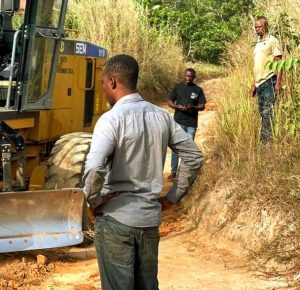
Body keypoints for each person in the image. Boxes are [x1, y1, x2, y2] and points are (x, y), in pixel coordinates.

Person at [83, 54, 204, 290]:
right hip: (149, 221)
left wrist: (94, 201)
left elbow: (94, 166)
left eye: (103, 84)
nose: (104, 90)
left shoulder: (110, 120)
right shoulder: (161, 117)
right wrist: (172, 198)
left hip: (115, 219)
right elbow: (194, 156)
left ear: (112, 81)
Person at [168, 68, 206, 179]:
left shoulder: (198, 90)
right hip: (178, 121)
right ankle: (173, 171)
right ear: (184, 75)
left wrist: (192, 107)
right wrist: (176, 106)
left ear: (194, 77)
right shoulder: (178, 87)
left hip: (191, 123)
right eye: (187, 76)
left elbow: (202, 106)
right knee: (176, 147)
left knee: (189, 147)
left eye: (191, 76)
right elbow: (170, 101)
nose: (188, 78)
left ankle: (184, 173)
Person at [251, 16, 283, 143]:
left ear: (265, 26)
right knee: (262, 114)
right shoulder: (258, 43)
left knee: (267, 113)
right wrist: (254, 84)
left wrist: (278, 83)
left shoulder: (272, 41)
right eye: (255, 27)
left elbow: (279, 62)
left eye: (259, 26)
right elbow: (257, 65)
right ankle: (263, 141)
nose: (257, 29)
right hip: (259, 84)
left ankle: (267, 144)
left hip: (269, 81)